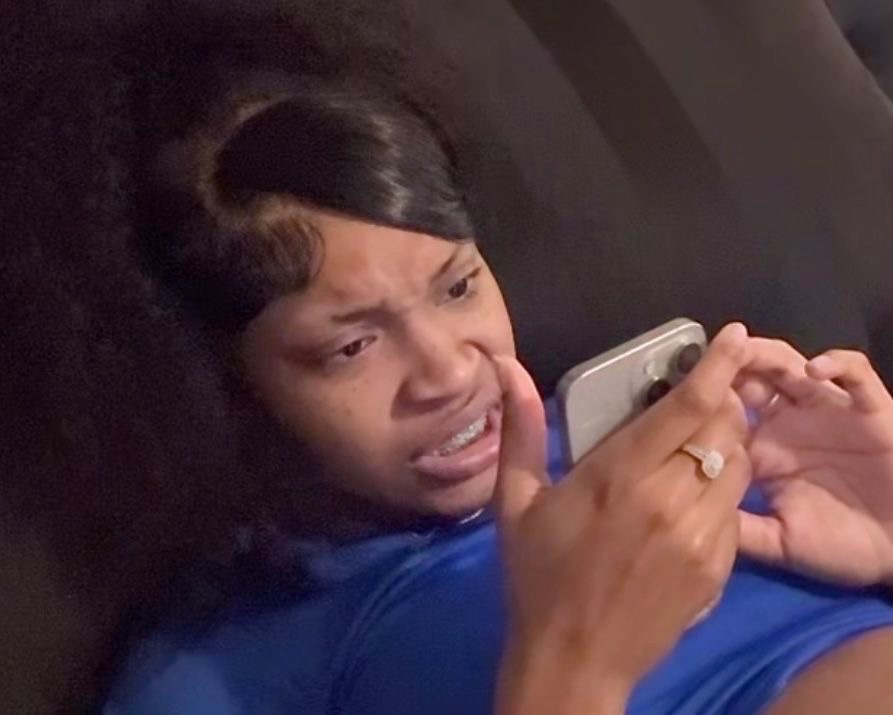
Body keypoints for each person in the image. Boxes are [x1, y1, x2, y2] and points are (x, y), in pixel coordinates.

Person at [100, 62, 893, 714]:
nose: (449, 372)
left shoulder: (661, 435)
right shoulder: (229, 662)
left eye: (456, 287)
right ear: (225, 387)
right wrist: (574, 665)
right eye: (351, 346)